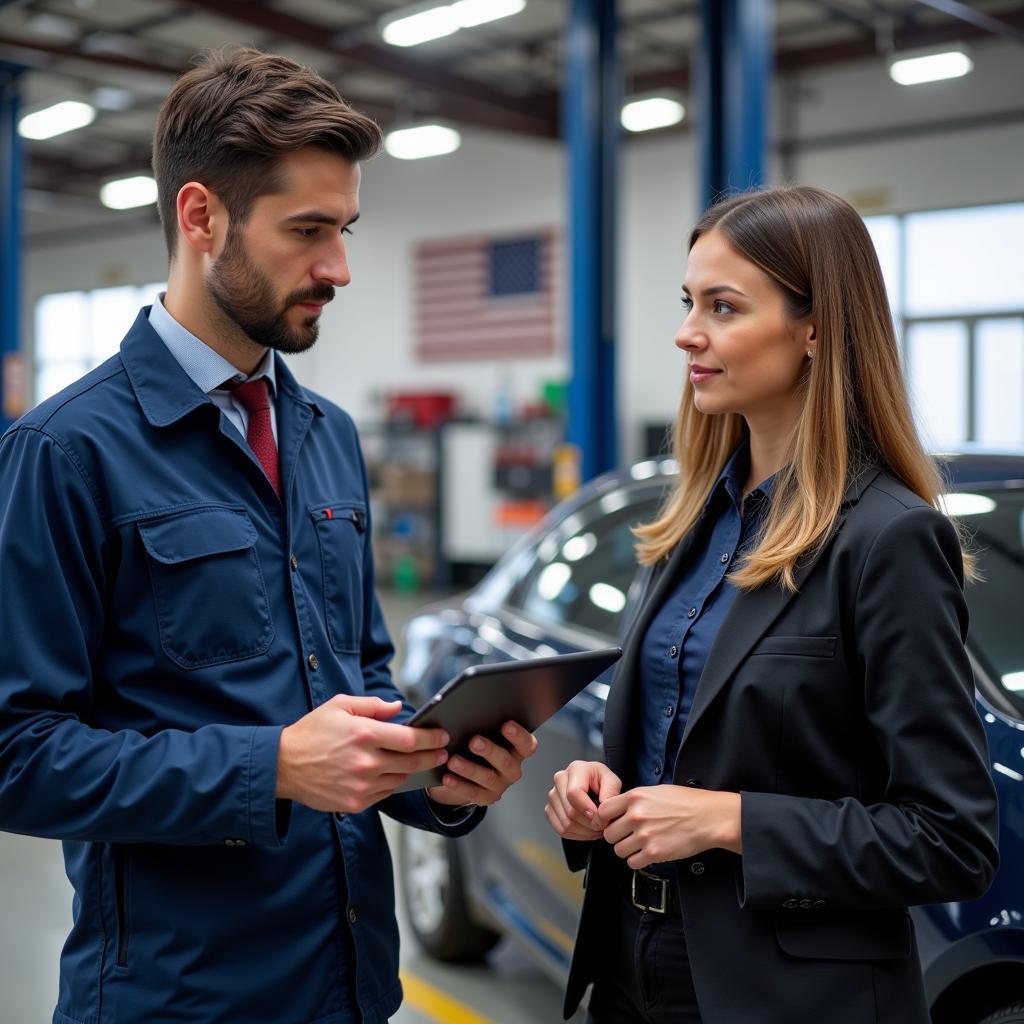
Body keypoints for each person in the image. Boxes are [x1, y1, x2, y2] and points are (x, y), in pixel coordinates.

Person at [0, 47, 537, 1024]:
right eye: (307, 231)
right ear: (201, 217)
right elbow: (16, 753)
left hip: (348, 983)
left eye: (344, 229)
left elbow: (362, 679)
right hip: (180, 997)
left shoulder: (326, 437)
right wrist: (272, 767)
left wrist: (442, 778)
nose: (337, 267)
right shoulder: (65, 451)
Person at [545, 185, 999, 1024]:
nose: (688, 332)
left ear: (817, 328)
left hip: (787, 995)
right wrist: (598, 791)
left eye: (723, 306)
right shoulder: (697, 519)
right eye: (689, 302)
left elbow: (952, 840)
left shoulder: (888, 538)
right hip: (634, 966)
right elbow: (677, 755)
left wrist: (733, 822)